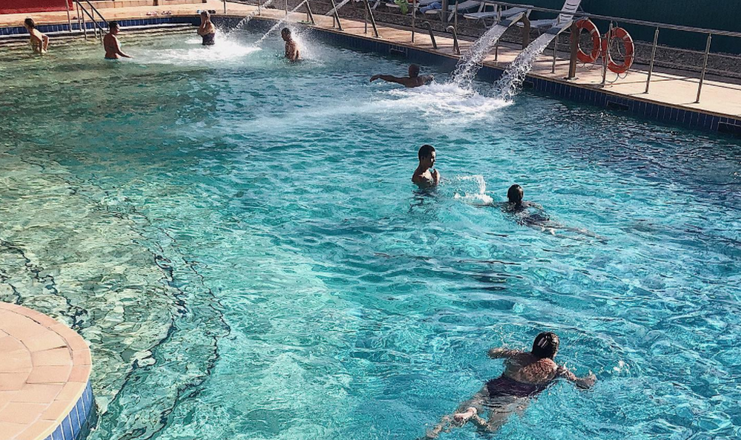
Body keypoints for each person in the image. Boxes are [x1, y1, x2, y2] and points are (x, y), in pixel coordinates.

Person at [423, 332, 596, 438]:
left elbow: (492, 353)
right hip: (514, 397)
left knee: (462, 409)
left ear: (533, 346)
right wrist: (591, 378)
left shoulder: (517, 354)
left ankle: (436, 431)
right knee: (490, 430)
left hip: (493, 387)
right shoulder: (557, 369)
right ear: (554, 352)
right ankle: (474, 418)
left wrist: (510, 351)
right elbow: (581, 384)